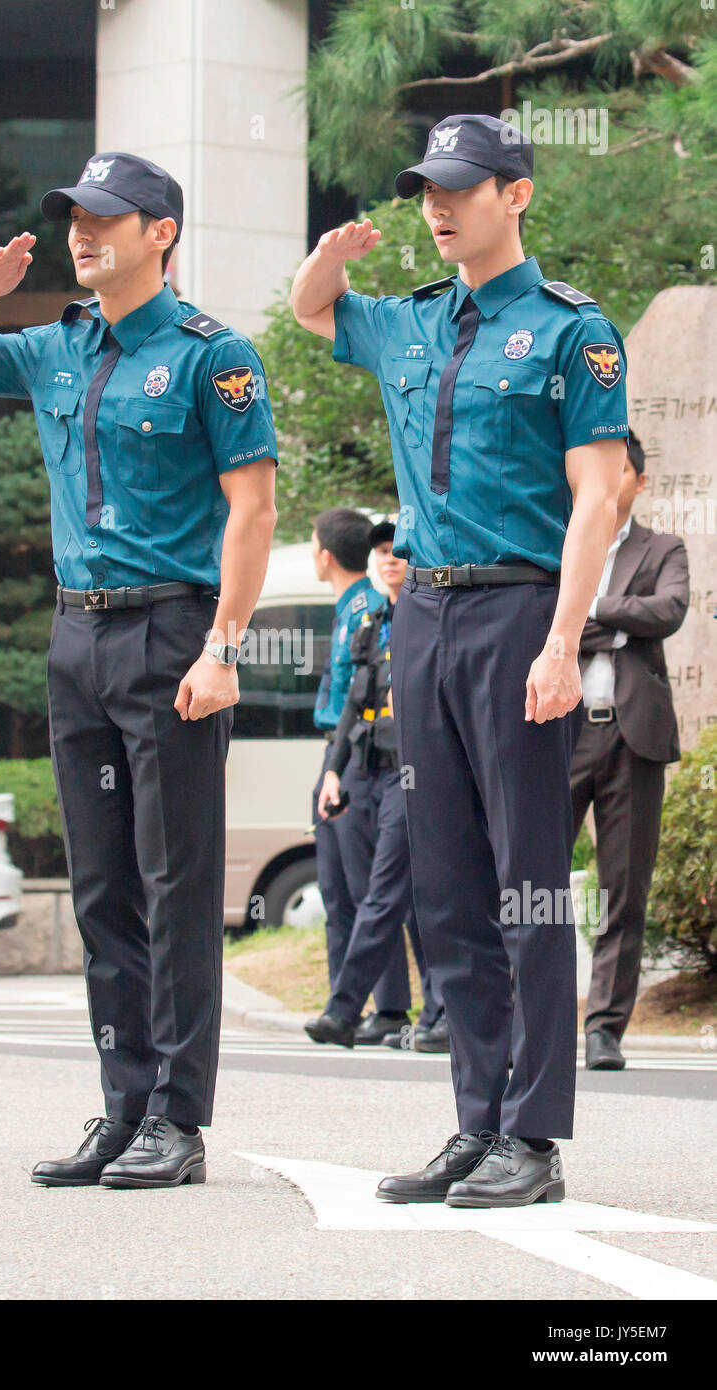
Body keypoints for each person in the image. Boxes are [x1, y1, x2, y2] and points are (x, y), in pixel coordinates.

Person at [291, 114, 629, 1207]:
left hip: (520, 611)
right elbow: (309, 312)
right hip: (423, 622)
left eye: (460, 188)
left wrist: (564, 638)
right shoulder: (404, 323)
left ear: (515, 196)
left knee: (527, 881)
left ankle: (532, 1136)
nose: (437, 206)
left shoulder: (574, 332)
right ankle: (474, 1120)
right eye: (427, 190)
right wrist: (328, 260)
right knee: (443, 886)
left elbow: (596, 496)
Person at [0, 152, 278, 1189]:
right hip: (76, 640)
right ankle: (122, 1108)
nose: (84, 235)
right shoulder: (55, 347)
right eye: (75, 219)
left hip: (171, 636)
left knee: (175, 885)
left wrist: (224, 645)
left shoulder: (215, 357)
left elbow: (251, 512)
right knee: (101, 890)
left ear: (160, 233)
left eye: (107, 220)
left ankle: (179, 1117)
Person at [305, 518, 447, 1051]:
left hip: (419, 775)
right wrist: (334, 769)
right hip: (372, 769)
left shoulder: (431, 616)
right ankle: (427, 1014)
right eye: (382, 552)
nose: (390, 560)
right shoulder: (374, 623)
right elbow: (351, 705)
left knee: (393, 893)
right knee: (391, 895)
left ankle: (348, 1010)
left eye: (399, 552)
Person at [571, 429, 689, 1070]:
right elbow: (542, 619)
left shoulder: (663, 547)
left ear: (637, 481)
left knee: (624, 889)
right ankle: (523, 1016)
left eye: (621, 471)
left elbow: (668, 609)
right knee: (533, 882)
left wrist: (594, 611)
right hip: (560, 733)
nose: (609, 479)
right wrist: (619, 619)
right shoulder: (557, 540)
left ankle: (604, 1029)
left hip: (632, 733)